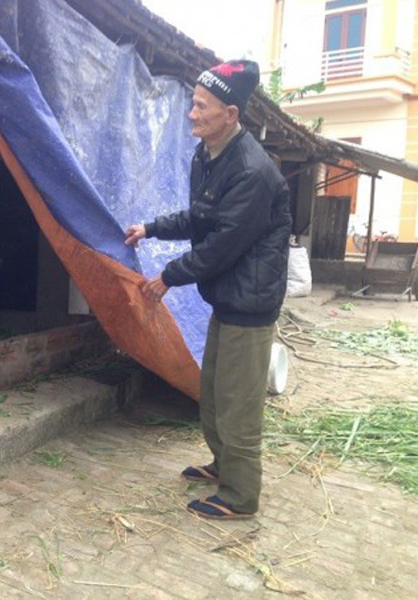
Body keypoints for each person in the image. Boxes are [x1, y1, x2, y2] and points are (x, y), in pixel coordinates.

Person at [124, 59, 292, 520]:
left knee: (238, 404)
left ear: (230, 115)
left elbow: (222, 244)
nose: (192, 113)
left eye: (201, 106)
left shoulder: (252, 172)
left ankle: (240, 497)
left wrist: (168, 277)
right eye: (193, 104)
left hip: (249, 302)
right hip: (227, 297)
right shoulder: (209, 155)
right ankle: (224, 466)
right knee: (216, 393)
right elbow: (201, 217)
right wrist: (151, 228)